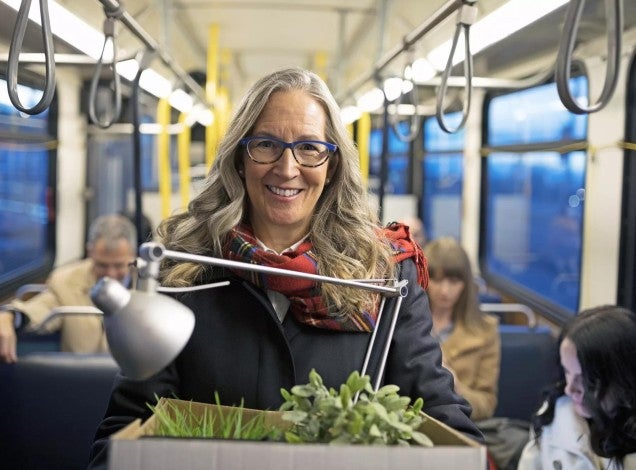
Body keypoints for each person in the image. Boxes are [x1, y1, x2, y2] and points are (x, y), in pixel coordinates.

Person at [87, 68, 482, 467]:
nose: (287, 168)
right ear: (240, 158)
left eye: (309, 148)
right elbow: (126, 431)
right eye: (266, 145)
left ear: (332, 166)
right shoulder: (180, 268)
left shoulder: (384, 275)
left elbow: (438, 414)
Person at [0, 213, 137, 362]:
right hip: (84, 378)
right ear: (90, 253)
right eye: (102, 265)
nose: (110, 274)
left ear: (133, 255)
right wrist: (8, 316)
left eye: (119, 265)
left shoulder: (151, 284)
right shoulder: (66, 282)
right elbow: (41, 308)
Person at [518, 305, 636, 470]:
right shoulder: (552, 416)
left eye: (587, 381)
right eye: (567, 372)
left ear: (623, 381)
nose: (569, 389)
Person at [424, 236, 500, 421]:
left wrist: (457, 387)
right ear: (424, 280)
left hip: (457, 424)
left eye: (454, 281)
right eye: (437, 280)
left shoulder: (485, 331)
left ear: (466, 285)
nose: (445, 291)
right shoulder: (406, 322)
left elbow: (487, 404)